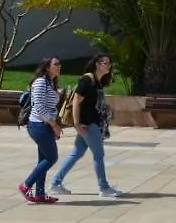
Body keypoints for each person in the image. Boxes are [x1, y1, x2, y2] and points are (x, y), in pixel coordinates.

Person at [50, 55, 123, 197]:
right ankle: (104, 187)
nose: (108, 65)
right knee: (98, 155)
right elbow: (76, 101)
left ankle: (55, 183)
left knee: (76, 153)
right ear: (97, 64)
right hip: (88, 124)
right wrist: (77, 124)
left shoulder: (98, 81)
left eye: (109, 63)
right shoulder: (87, 80)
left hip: (91, 123)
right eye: (105, 63)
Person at [18, 57, 62, 203]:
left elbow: (50, 105)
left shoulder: (50, 82)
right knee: (51, 157)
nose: (59, 66)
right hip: (38, 125)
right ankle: (26, 185)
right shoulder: (40, 82)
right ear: (47, 67)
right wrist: (54, 125)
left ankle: (40, 194)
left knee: (43, 159)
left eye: (59, 64)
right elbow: (39, 107)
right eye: (55, 64)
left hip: (45, 125)